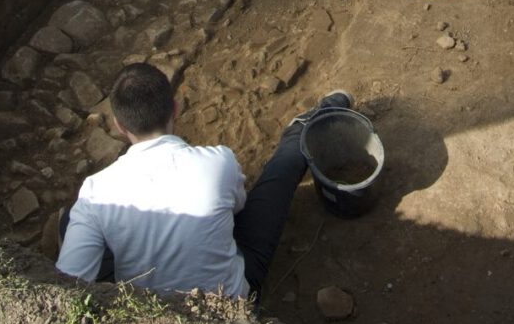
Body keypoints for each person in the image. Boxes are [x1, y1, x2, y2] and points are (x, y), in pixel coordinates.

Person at [56, 61, 352, 301]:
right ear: (176, 108)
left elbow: (65, 288)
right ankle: (304, 129)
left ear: (120, 126)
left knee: (73, 219)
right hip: (231, 303)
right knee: (276, 180)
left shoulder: (95, 193)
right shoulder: (217, 161)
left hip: (148, 319)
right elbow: (239, 210)